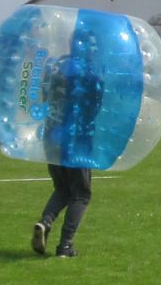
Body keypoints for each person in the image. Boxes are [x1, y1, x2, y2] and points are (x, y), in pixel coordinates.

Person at [30, 39, 105, 259]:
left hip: (52, 135)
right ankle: (65, 246)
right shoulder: (90, 74)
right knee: (81, 194)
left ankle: (45, 222)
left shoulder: (56, 68)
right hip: (76, 140)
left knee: (62, 189)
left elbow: (46, 98)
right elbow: (95, 106)